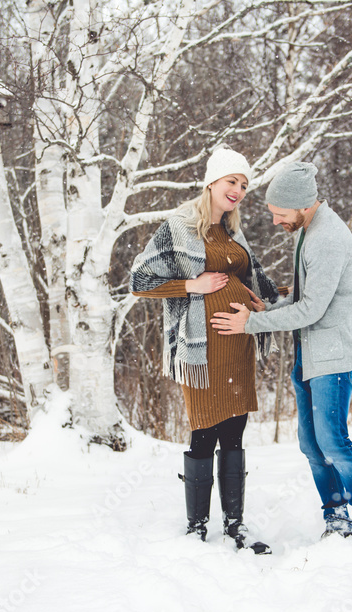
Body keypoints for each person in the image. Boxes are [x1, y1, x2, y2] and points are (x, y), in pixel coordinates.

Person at [210, 161, 352, 560]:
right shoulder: (308, 229)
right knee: (311, 444)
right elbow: (307, 297)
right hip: (310, 354)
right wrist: (274, 302)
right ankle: (336, 519)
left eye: (278, 213)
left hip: (334, 356)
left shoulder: (327, 238)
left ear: (301, 205)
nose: (275, 220)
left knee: (334, 443)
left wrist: (253, 323)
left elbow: (312, 310)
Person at [129, 147, 279, 555]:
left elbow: (249, 277)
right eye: (232, 181)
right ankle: (197, 527)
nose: (239, 190)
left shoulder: (232, 231)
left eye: (245, 185)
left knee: (235, 431)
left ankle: (235, 526)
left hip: (239, 343)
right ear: (212, 182)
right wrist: (191, 285)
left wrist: (269, 297)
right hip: (201, 350)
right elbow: (139, 279)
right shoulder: (179, 226)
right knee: (204, 431)